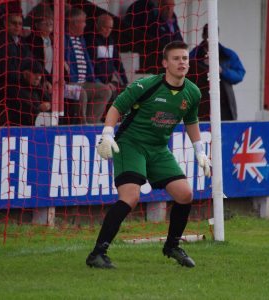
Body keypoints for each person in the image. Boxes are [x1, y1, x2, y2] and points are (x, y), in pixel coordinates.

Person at [86, 41, 211, 269]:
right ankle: (97, 253)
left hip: (158, 149)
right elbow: (116, 107)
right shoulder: (146, 86)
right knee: (130, 197)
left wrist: (199, 150)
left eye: (184, 58)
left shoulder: (192, 92)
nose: (182, 62)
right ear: (165, 63)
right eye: (176, 58)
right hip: (131, 144)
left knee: (185, 194)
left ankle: (172, 246)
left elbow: (191, 120)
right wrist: (107, 134)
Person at [65, 7, 112, 124]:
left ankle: (92, 124)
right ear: (74, 22)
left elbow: (89, 66)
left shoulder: (82, 40)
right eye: (83, 22)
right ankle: (83, 125)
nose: (85, 25)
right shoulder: (63, 39)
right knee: (81, 93)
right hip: (68, 84)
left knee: (105, 90)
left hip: (83, 83)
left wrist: (96, 81)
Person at [188, 24, 245, 121]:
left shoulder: (227, 54)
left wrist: (221, 70)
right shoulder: (193, 55)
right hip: (200, 105)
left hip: (224, 106)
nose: (210, 38)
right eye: (208, 35)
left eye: (214, 35)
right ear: (203, 35)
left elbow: (240, 75)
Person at [85, 14, 129, 120]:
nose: (107, 30)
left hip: (108, 82)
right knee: (109, 93)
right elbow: (90, 65)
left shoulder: (111, 41)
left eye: (110, 28)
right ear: (98, 25)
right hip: (95, 82)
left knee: (126, 93)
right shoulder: (91, 40)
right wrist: (101, 83)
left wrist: (125, 82)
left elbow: (117, 63)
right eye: (105, 27)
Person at [146, 0, 183, 73]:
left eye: (172, 5)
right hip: (161, 64)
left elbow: (180, 41)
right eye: (167, 5)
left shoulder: (174, 23)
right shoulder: (154, 23)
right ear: (160, 6)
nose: (169, 8)